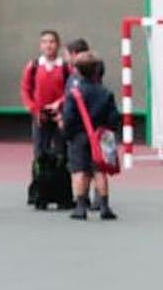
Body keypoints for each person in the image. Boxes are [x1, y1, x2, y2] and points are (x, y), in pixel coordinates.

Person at [62, 54, 120, 220]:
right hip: (100, 136)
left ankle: (81, 207)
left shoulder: (74, 93)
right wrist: (109, 130)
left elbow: (69, 117)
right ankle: (104, 206)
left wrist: (69, 134)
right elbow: (114, 117)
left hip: (79, 136)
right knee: (99, 171)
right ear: (97, 70)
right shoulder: (106, 93)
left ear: (77, 71)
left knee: (80, 171)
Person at [21, 30, 71, 207]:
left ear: (57, 44)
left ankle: (61, 193)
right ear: (40, 45)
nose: (48, 45)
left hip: (59, 116)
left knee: (60, 153)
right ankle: (37, 193)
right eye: (44, 42)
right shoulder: (33, 66)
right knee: (39, 155)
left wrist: (59, 104)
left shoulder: (65, 67)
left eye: (51, 42)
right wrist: (35, 110)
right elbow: (25, 90)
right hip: (40, 116)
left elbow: (70, 90)